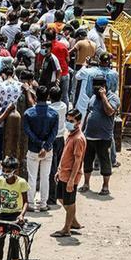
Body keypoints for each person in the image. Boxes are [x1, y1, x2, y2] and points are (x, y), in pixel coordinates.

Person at [79, 76, 119, 195]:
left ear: (104, 86)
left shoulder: (113, 98)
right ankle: (86, 183)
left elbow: (110, 111)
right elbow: (88, 113)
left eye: (97, 87)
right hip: (89, 135)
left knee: (104, 161)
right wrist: (82, 130)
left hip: (103, 136)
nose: (94, 89)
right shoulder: (92, 97)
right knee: (87, 160)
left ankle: (105, 186)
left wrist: (103, 97)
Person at [50, 109, 86, 237]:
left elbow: (77, 160)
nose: (68, 123)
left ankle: (67, 228)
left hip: (71, 175)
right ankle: (74, 222)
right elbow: (66, 155)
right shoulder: (70, 135)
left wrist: (71, 179)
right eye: (67, 120)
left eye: (71, 121)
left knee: (69, 202)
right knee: (61, 198)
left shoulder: (78, 139)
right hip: (63, 174)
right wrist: (59, 170)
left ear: (78, 122)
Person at [23, 86, 59, 212]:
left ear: (36, 97)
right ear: (48, 96)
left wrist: (39, 143)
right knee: (45, 177)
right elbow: (54, 133)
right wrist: (45, 146)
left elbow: (28, 131)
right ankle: (43, 204)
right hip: (48, 150)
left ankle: (31, 204)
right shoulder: (54, 114)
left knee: (32, 177)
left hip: (33, 149)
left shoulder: (28, 113)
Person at [0, 65, 23, 164]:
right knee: (13, 145)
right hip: (15, 119)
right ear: (13, 74)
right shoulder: (20, 85)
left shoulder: (0, 86)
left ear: (3, 75)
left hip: (1, 120)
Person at [48, 86, 68, 206]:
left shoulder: (50, 108)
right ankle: (60, 193)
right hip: (61, 139)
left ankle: (52, 197)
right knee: (60, 168)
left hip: (52, 139)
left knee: (52, 170)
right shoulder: (64, 106)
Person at [46, 28, 71, 106]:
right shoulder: (62, 46)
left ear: (46, 37)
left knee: (52, 96)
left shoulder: (45, 47)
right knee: (64, 96)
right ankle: (66, 114)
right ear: (55, 36)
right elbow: (68, 60)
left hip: (52, 76)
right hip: (64, 73)